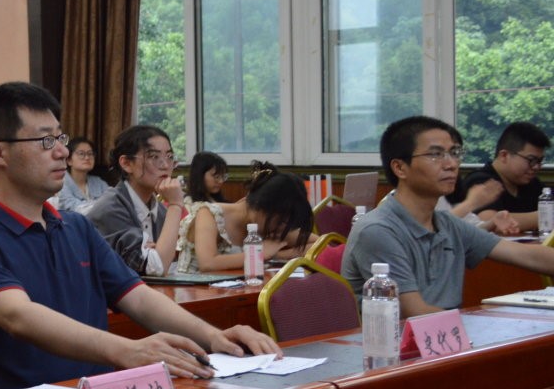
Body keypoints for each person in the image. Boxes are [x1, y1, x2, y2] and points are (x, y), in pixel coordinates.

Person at [0, 82, 278, 389]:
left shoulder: (76, 227)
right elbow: (18, 316)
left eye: (61, 138)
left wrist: (215, 337)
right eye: (45, 141)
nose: (62, 152)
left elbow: (138, 298)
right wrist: (127, 350)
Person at [344, 116, 554, 314]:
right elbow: (415, 312)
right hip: (402, 337)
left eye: (454, 153)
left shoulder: (447, 224)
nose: (451, 164)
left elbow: (528, 255)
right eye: (435, 155)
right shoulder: (377, 230)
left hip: (448, 333)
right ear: (400, 168)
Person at [175, 163, 313, 273]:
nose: (282, 227)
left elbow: (322, 244)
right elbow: (207, 263)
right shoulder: (209, 214)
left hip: (237, 292)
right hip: (192, 293)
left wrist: (279, 255)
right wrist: (260, 253)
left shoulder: (267, 223)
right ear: (261, 206)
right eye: (281, 221)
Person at [86, 125, 185, 275]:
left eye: (169, 157)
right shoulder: (110, 209)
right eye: (154, 157)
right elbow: (157, 268)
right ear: (126, 163)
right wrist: (176, 204)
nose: (165, 165)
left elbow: (166, 265)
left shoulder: (161, 211)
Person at [451, 121, 549, 233]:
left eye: (540, 161)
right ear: (504, 155)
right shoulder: (481, 181)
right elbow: (490, 221)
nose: (536, 167)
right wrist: (546, 215)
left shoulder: (532, 183)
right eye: (531, 160)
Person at [56, 137, 109, 213]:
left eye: (90, 154)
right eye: (81, 154)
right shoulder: (60, 182)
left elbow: (113, 203)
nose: (87, 158)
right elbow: (72, 207)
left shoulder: (99, 182)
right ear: (69, 160)